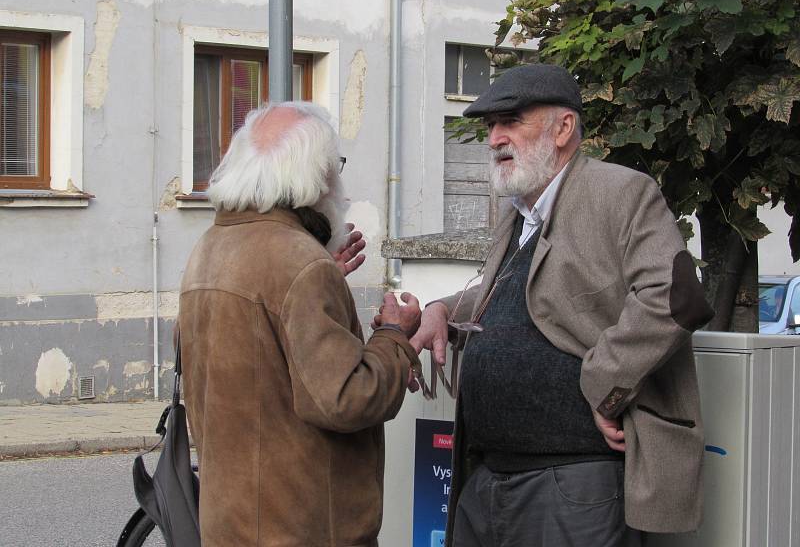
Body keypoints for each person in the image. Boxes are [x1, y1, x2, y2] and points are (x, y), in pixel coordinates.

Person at [410, 64, 714, 546]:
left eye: (510, 121)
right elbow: (513, 294)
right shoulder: (516, 213)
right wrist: (441, 309)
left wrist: (605, 387)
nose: (494, 139)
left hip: (575, 484)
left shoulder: (621, 192)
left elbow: (675, 296)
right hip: (487, 476)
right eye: (490, 126)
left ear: (564, 128)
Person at [177, 101, 422, 546]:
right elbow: (346, 399)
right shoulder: (298, 262)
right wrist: (394, 334)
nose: (338, 183)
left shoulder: (210, 247)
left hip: (230, 526)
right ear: (315, 178)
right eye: (335, 168)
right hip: (300, 529)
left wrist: (319, 278)